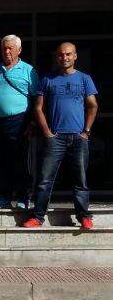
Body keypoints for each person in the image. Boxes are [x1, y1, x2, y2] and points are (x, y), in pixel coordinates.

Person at [22, 42, 98, 229]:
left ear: (75, 56)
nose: (64, 58)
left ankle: (84, 216)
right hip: (55, 138)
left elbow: (93, 105)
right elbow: (38, 108)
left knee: (80, 179)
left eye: (68, 54)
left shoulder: (84, 79)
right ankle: (38, 217)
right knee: (44, 180)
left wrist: (86, 131)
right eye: (60, 55)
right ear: (57, 57)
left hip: (78, 138)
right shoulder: (48, 79)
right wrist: (47, 132)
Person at [0, 34, 41, 210]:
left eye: (11, 47)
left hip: (20, 121)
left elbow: (37, 99)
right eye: (4, 48)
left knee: (20, 160)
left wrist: (32, 122)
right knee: (2, 161)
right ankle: (3, 195)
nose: (7, 51)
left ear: (19, 49)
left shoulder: (28, 70)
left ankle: (23, 197)